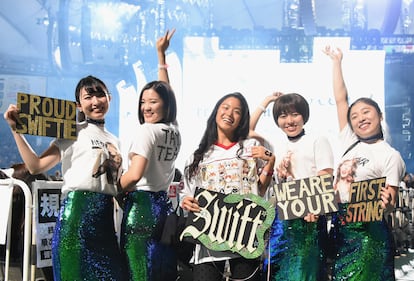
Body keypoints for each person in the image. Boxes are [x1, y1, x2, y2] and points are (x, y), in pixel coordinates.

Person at [3, 75, 127, 281]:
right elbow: (36, 166)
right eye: (88, 97)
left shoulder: (116, 140)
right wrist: (16, 130)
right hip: (76, 219)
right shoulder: (72, 132)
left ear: (109, 98)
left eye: (100, 95)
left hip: (106, 223)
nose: (95, 102)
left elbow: (117, 184)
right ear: (78, 105)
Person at [324, 46, 406, 280]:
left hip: (370, 232)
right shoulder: (349, 141)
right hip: (340, 228)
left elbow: (388, 203)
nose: (360, 118)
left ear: (380, 116)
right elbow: (341, 100)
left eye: (366, 112)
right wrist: (336, 62)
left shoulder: (390, 155)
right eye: (355, 116)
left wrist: (387, 202)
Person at [179, 92, 276, 281]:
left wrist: (270, 163)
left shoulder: (251, 147)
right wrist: (185, 201)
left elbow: (260, 189)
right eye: (225, 107)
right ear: (216, 112)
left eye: (237, 111)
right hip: (208, 240)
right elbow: (186, 192)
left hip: (244, 239)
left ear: (242, 119)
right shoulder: (198, 156)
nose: (229, 113)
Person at [249, 92, 334, 281]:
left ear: (304, 115)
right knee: (275, 268)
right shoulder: (275, 143)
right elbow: (247, 130)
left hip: (308, 215)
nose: (289, 120)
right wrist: (266, 101)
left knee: (305, 271)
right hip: (281, 216)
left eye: (295, 114)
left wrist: (314, 208)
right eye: (283, 115)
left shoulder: (317, 140)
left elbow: (325, 174)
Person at [118, 29, 181, 281]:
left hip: (140, 207)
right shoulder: (174, 130)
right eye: (143, 101)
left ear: (164, 105)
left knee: (137, 271)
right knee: (157, 270)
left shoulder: (146, 132)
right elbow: (167, 91)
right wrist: (160, 56)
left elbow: (134, 175)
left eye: (153, 102)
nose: (146, 106)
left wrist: (112, 188)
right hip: (162, 207)